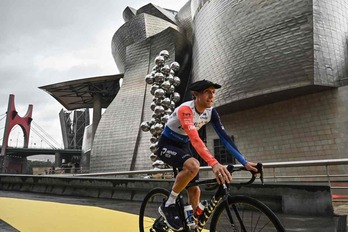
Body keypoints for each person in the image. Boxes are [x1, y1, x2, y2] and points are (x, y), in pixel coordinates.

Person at [156, 79, 258, 231]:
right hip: (168, 144)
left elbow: (224, 138)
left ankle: (191, 225)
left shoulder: (211, 112)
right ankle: (169, 204)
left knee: (195, 189)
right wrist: (214, 163)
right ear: (196, 95)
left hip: (184, 146)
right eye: (208, 92)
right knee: (193, 166)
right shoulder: (185, 110)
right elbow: (195, 139)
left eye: (213, 92)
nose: (212, 96)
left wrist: (244, 161)